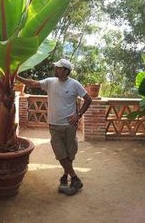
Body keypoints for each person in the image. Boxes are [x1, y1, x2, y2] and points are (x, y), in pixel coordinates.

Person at [17, 58, 92, 196]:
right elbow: (32, 83)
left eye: (58, 68)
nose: (55, 69)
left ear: (66, 71)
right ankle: (75, 178)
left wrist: (78, 114)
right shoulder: (50, 82)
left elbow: (88, 99)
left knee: (70, 153)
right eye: (56, 67)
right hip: (54, 126)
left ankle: (64, 176)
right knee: (60, 153)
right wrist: (16, 76)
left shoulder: (74, 84)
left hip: (69, 126)